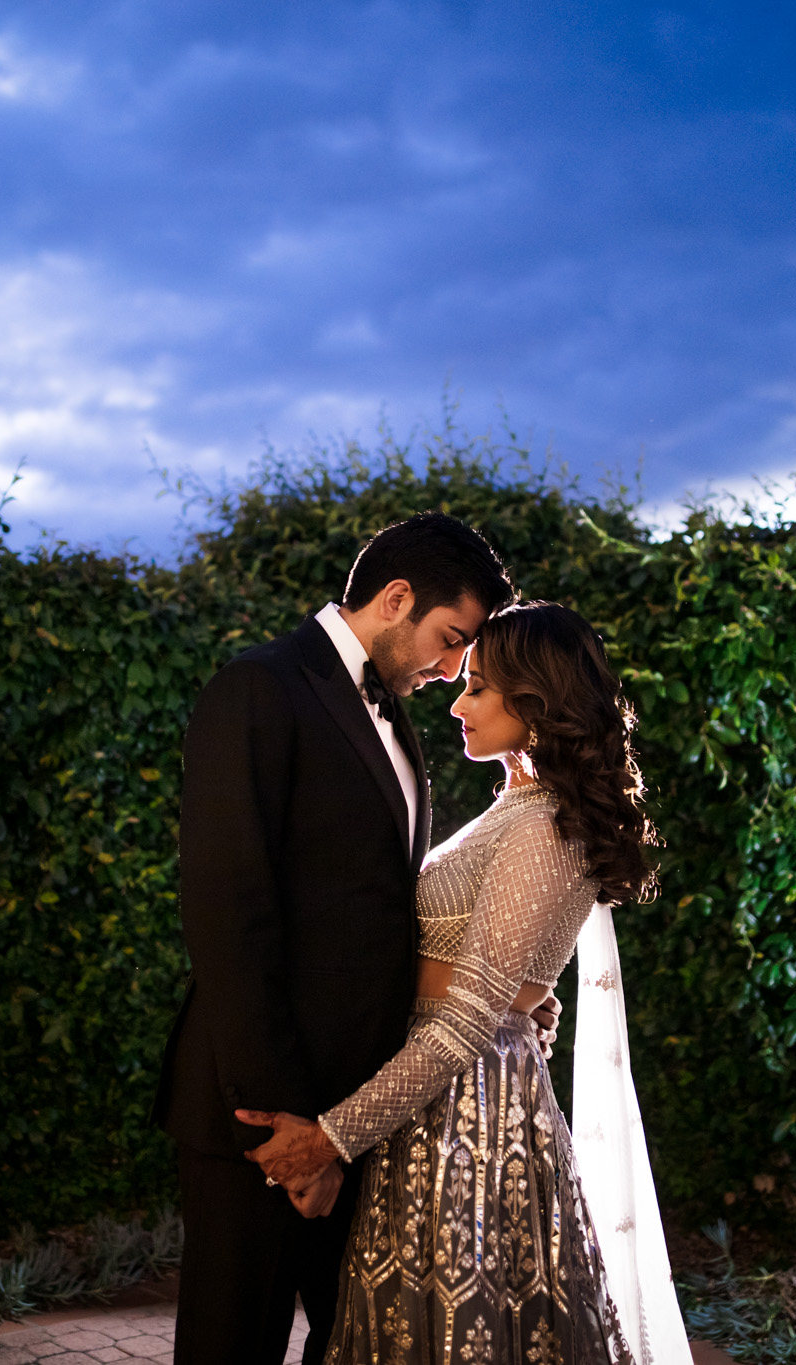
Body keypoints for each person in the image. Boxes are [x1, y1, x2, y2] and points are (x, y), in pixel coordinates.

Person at [238, 603, 690, 1364]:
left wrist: (330, 1139)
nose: (455, 701)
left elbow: (465, 1022)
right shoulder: (519, 807)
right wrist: (522, 996)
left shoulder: (545, 825)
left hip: (468, 1127)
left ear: (538, 698)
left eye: (478, 686)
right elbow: (494, 979)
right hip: (438, 1111)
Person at [155, 512, 535, 1365]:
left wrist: (507, 995)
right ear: (396, 598)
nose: (449, 672)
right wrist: (287, 1135)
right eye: (449, 641)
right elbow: (229, 917)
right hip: (260, 1114)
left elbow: (377, 914)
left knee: (352, 1343)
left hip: (362, 1116)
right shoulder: (258, 687)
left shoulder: (393, 722)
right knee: (231, 1346)